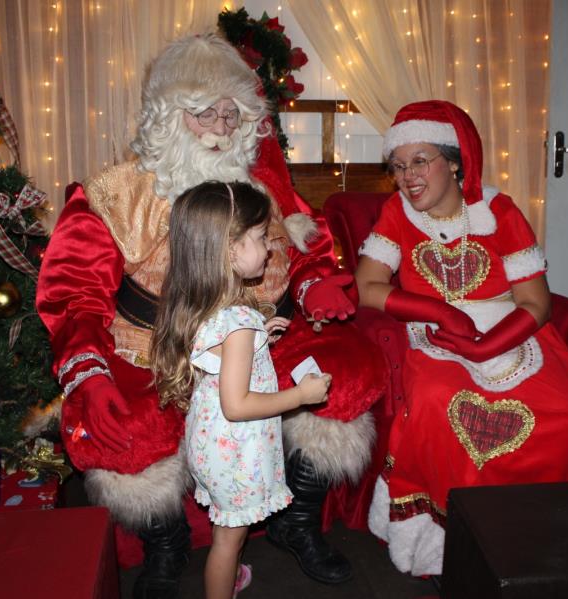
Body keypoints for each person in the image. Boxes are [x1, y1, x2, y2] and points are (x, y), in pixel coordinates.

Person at [36, 34, 384, 597]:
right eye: (204, 114)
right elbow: (71, 293)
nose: (222, 128)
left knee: (350, 370)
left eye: (231, 113)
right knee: (119, 424)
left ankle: (294, 523)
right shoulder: (112, 194)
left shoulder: (262, 182)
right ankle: (166, 545)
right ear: (169, 115)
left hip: (260, 335)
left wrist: (316, 281)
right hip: (155, 346)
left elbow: (307, 246)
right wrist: (88, 367)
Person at [356, 100, 568, 576]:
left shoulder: (499, 211)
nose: (407, 176)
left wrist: (487, 346)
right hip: (433, 333)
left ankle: (542, 529)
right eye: (398, 166)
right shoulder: (397, 214)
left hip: (507, 327)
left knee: (566, 405)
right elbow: (367, 286)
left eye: (420, 161)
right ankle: (453, 546)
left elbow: (536, 303)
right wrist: (438, 310)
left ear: (456, 161)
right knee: (442, 399)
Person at [150, 181, 333, 599]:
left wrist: (258, 338)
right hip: (235, 449)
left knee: (227, 530)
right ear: (229, 250)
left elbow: (221, 357)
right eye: (259, 238)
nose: (269, 248)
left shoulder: (210, 306)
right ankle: (221, 585)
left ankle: (227, 577)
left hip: (213, 443)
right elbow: (238, 404)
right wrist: (301, 396)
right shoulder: (237, 322)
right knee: (228, 541)